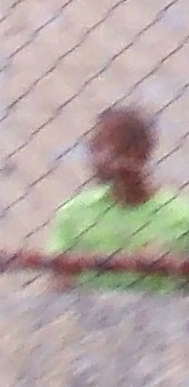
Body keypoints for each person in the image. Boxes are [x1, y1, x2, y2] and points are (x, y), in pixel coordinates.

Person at [48, 104, 189, 291]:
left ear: (137, 152)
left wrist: (169, 265)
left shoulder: (181, 217)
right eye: (92, 148)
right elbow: (59, 282)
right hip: (96, 317)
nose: (93, 158)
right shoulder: (75, 213)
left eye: (101, 147)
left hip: (164, 317)